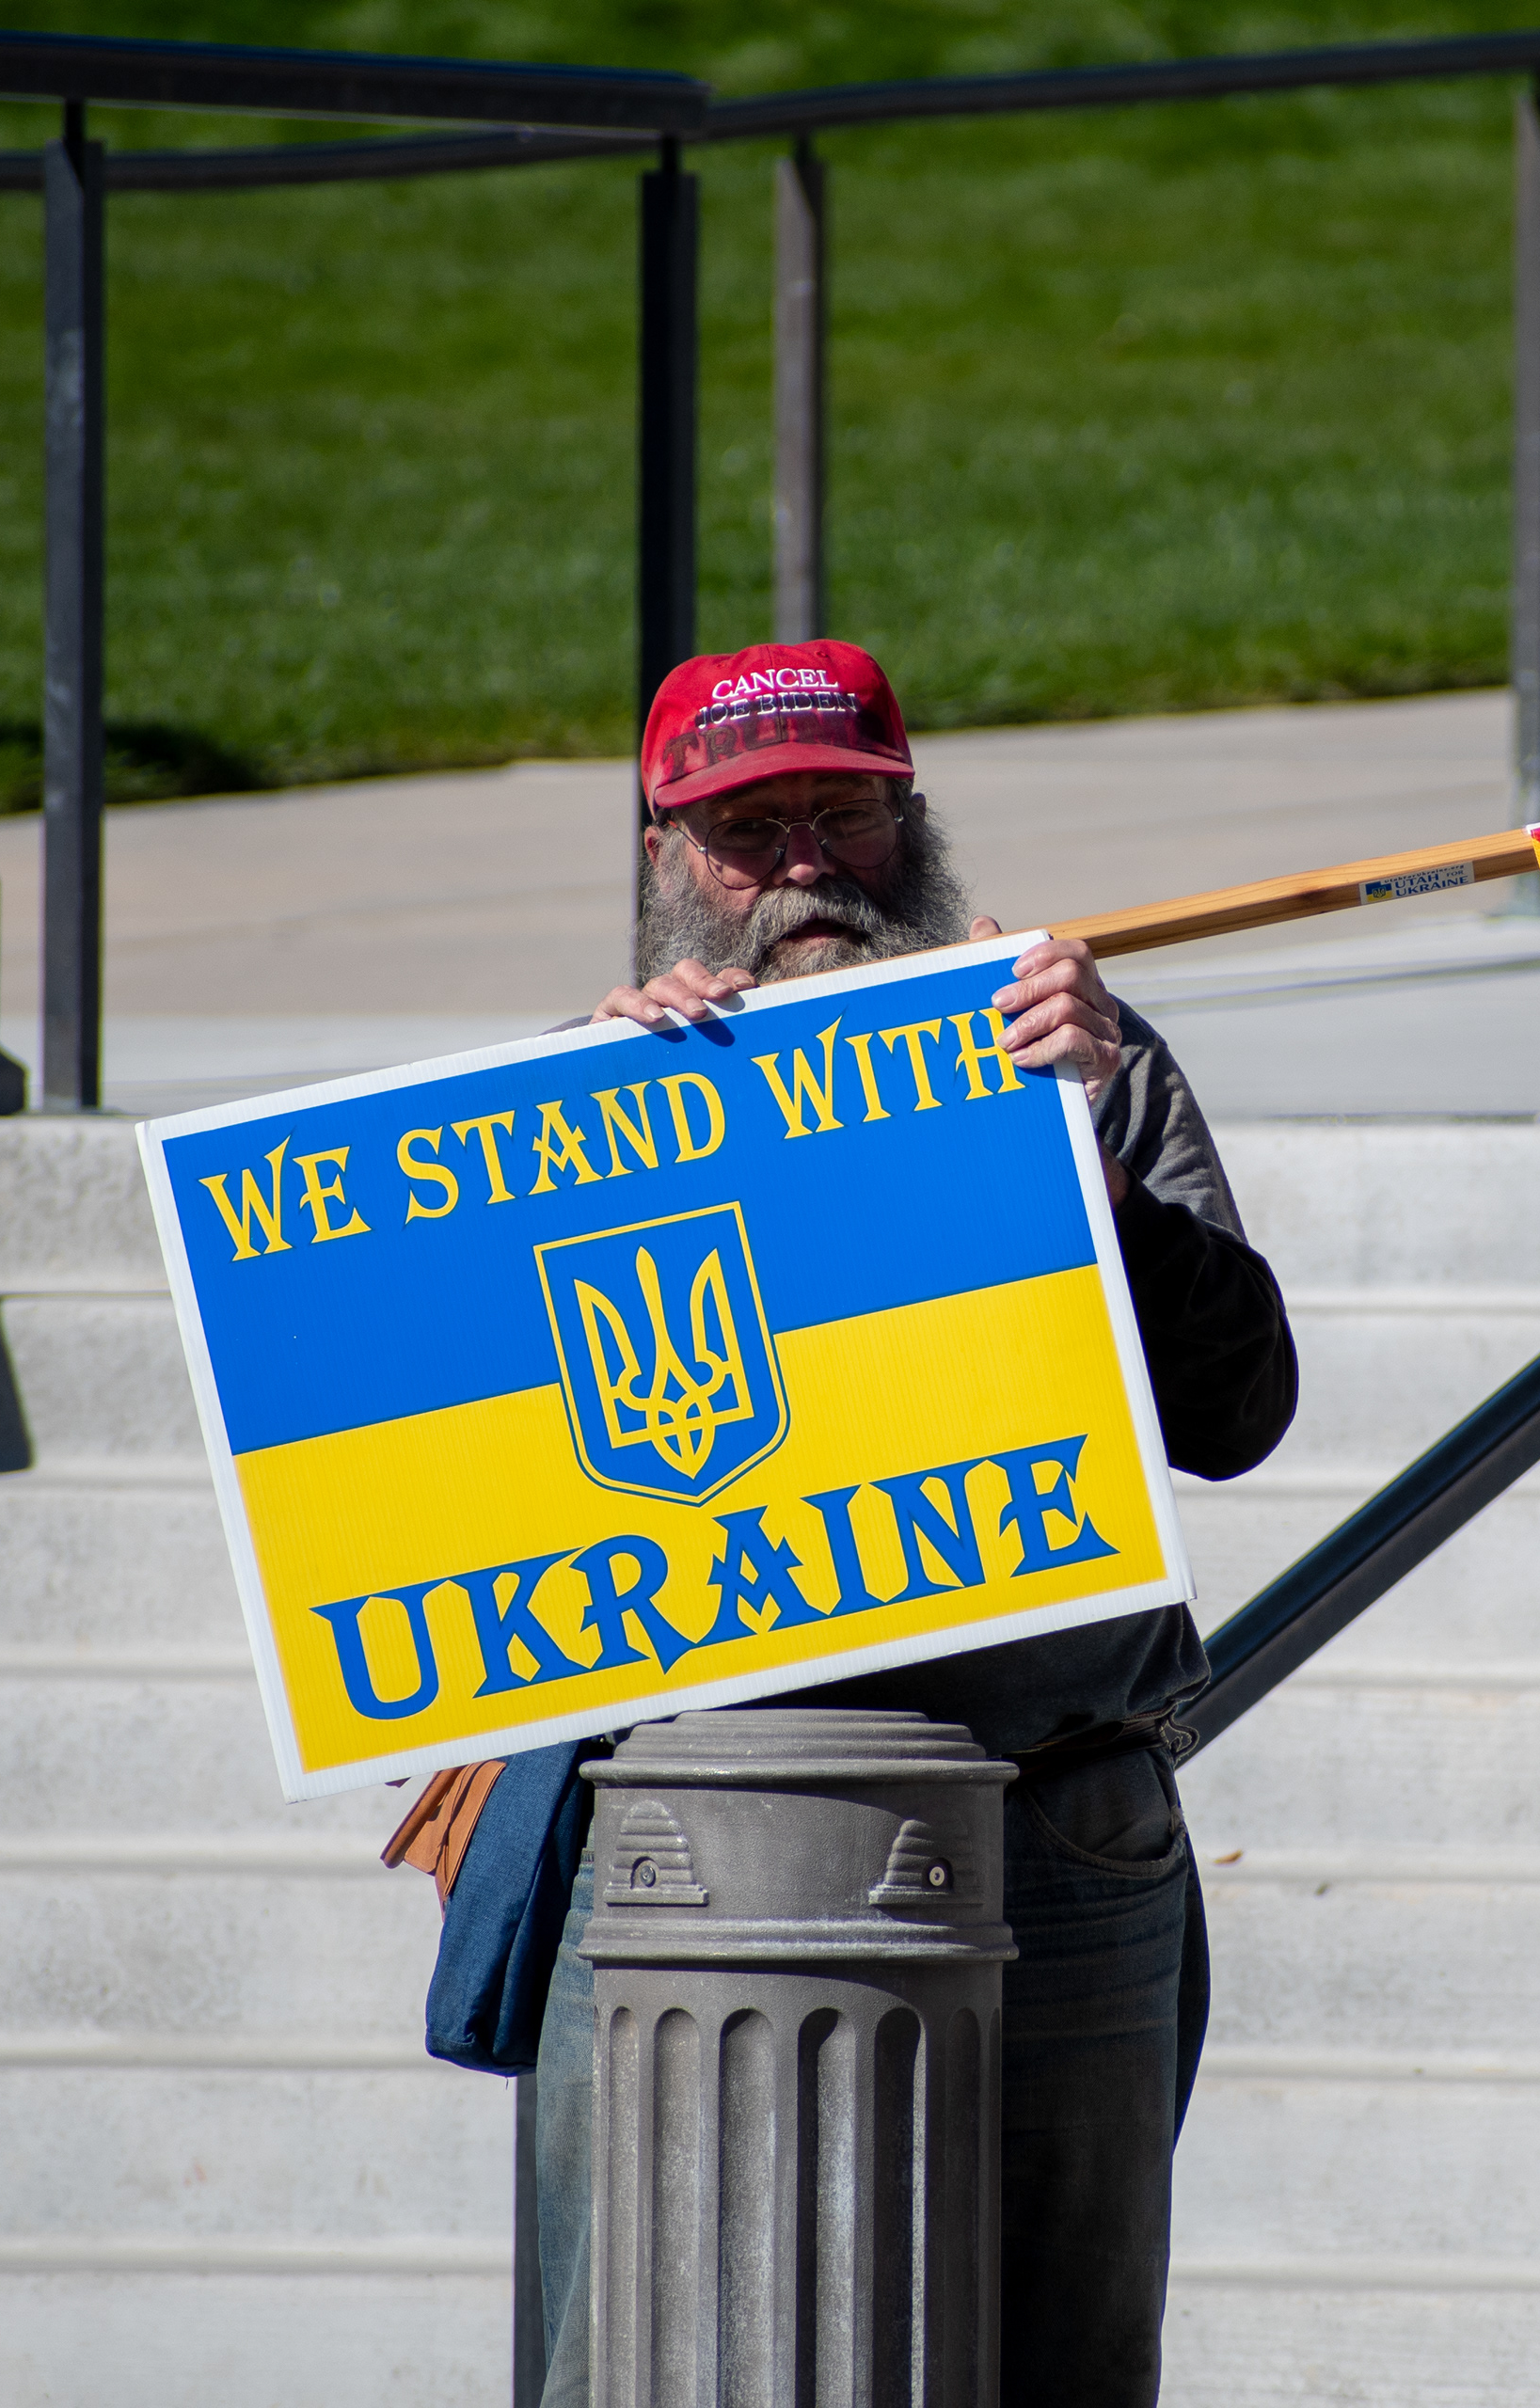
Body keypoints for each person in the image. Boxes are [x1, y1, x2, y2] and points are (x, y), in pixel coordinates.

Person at [531, 638, 1300, 2408]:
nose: (803, 866)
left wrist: (1091, 1133)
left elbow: (1237, 1413)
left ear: (916, 821)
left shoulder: (1076, 1050)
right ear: (664, 853)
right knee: (631, 2353)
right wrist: (567, 1131)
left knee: (1059, 2355)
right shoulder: (564, 1096)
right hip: (682, 1821)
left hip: (1056, 1812)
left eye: (846, 817)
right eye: (749, 831)